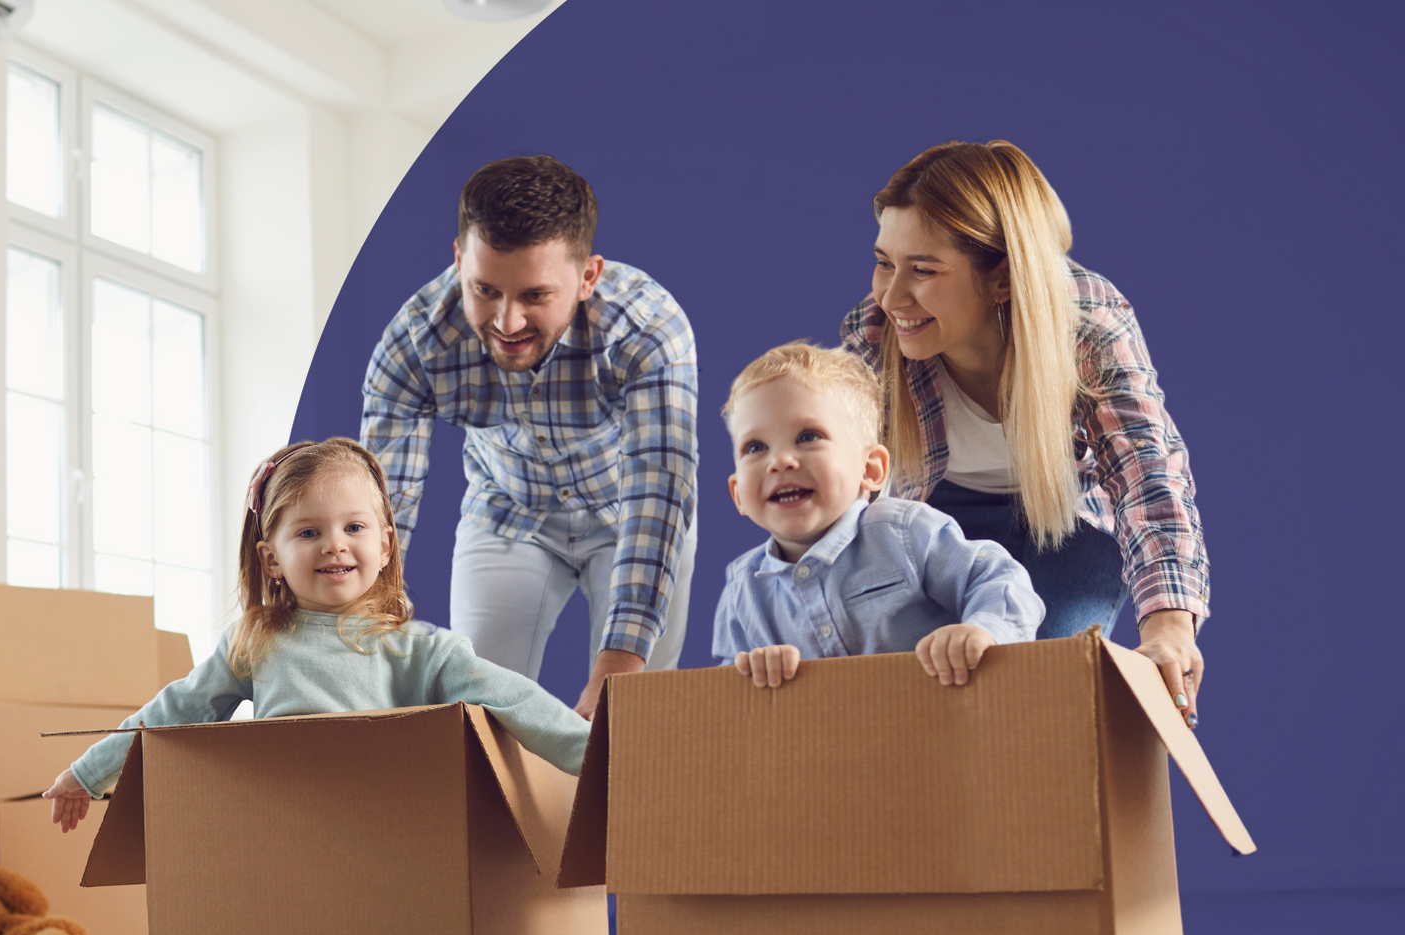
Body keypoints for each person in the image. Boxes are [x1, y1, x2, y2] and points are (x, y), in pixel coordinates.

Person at [42, 438, 593, 832]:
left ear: (385, 547)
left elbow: (517, 701)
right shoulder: (255, 641)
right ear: (272, 559)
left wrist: (603, 761)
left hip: (389, 834)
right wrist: (86, 774)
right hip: (283, 833)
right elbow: (176, 708)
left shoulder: (424, 652)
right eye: (309, 531)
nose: (334, 544)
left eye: (354, 527)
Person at [842, 140, 1209, 726]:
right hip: (932, 519)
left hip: (1061, 526)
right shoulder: (875, 332)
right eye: (885, 261)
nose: (891, 296)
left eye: (924, 270)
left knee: (1031, 691)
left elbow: (1147, 472)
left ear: (1003, 280)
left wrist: (1168, 627)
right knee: (909, 687)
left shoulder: (1086, 324)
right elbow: (842, 487)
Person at [361, 154, 697, 720]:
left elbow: (658, 488)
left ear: (588, 276)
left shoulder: (648, 329)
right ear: (458, 259)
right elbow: (381, 504)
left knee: (633, 716)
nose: (507, 322)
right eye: (485, 289)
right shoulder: (415, 341)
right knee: (477, 710)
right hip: (507, 510)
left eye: (535, 296)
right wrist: (351, 631)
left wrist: (619, 662)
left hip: (629, 514)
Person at [714, 342, 1043, 688]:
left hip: (939, 725)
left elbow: (998, 579)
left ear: (870, 469)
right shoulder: (742, 594)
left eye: (808, 436)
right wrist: (751, 676)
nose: (780, 461)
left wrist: (982, 630)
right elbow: (725, 702)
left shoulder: (903, 534)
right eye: (755, 447)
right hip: (826, 740)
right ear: (738, 494)